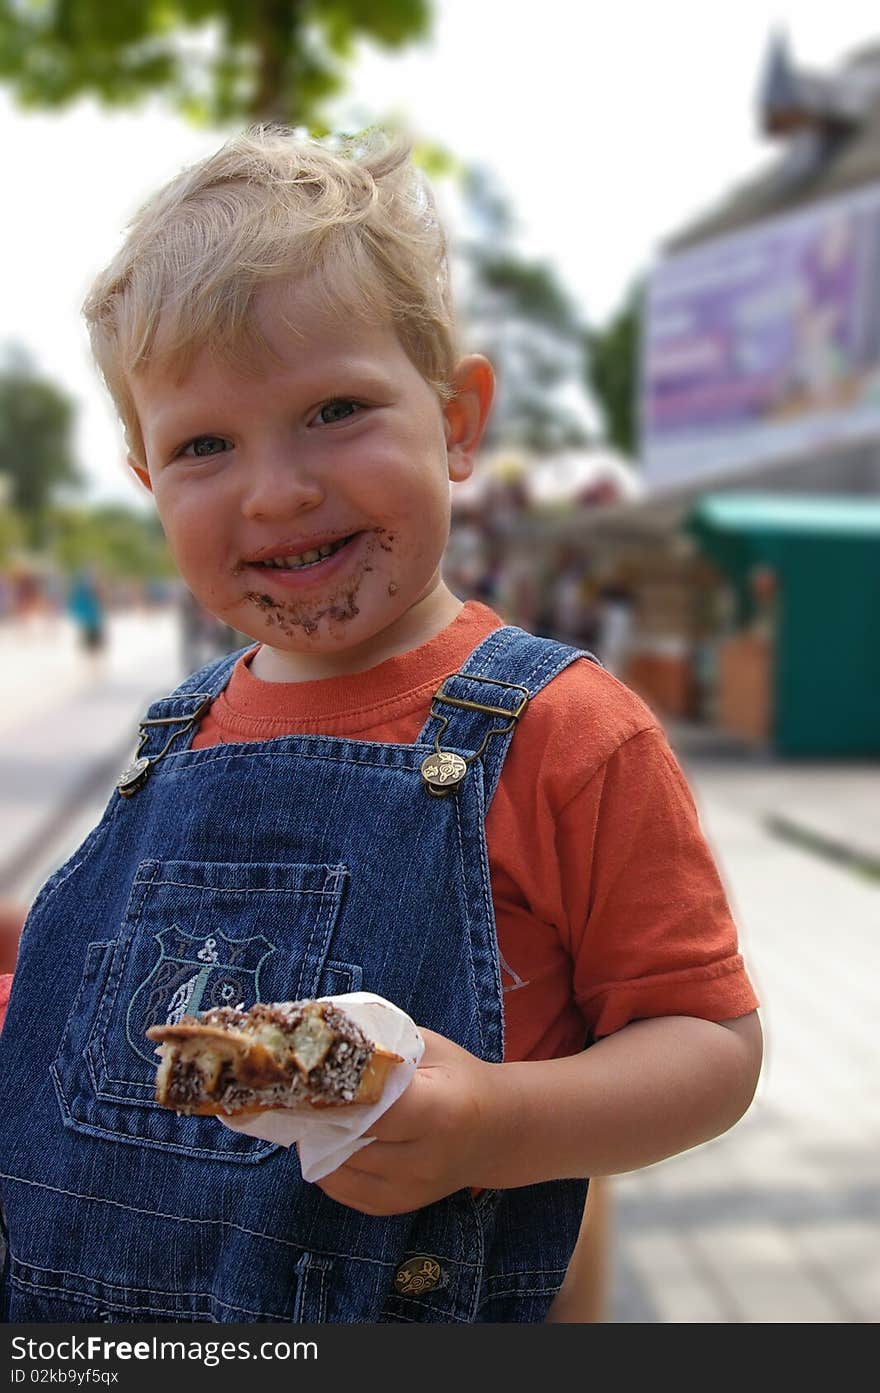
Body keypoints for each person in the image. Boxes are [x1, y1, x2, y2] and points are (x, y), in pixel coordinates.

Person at [0, 130, 762, 1324]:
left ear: (456, 420)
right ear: (147, 477)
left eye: (334, 409)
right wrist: (42, 954)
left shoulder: (564, 731)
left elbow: (710, 1046)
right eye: (205, 444)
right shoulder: (175, 732)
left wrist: (498, 1128)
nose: (277, 489)